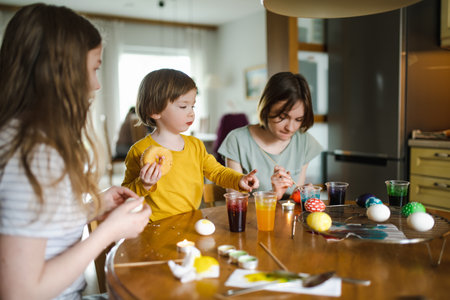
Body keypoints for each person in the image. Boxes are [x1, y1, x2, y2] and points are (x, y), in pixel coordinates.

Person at [0, 4, 151, 300]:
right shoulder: (34, 155)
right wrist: (107, 233)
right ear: (61, 71)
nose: (95, 85)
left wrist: (93, 206)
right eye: (94, 68)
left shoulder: (22, 137)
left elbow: (34, 226)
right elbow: (20, 292)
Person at [122, 69, 259, 221]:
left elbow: (217, 172)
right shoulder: (139, 151)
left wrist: (239, 179)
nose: (191, 113)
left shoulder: (196, 146)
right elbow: (125, 195)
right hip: (154, 227)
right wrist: (144, 184)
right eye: (183, 106)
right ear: (155, 111)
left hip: (191, 221)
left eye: (192, 106)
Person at [218, 72, 323, 200]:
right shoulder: (236, 141)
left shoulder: (304, 141)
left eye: (298, 119)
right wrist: (273, 196)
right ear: (266, 108)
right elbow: (236, 204)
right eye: (283, 117)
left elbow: (295, 203)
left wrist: (304, 194)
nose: (290, 128)